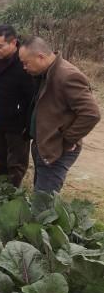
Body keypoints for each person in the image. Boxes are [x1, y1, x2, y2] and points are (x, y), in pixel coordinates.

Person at [19, 36, 101, 194]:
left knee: (44, 202)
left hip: (57, 149)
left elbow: (91, 114)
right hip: (44, 143)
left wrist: (68, 138)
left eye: (25, 62)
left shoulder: (67, 76)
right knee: (40, 194)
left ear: (41, 57)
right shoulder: (46, 73)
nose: (24, 67)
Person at [0, 24, 36, 187]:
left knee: (16, 165)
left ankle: (11, 199)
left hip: (19, 126)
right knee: (1, 158)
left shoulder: (25, 63)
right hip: (0, 120)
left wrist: (27, 126)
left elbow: (33, 98)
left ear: (13, 43)